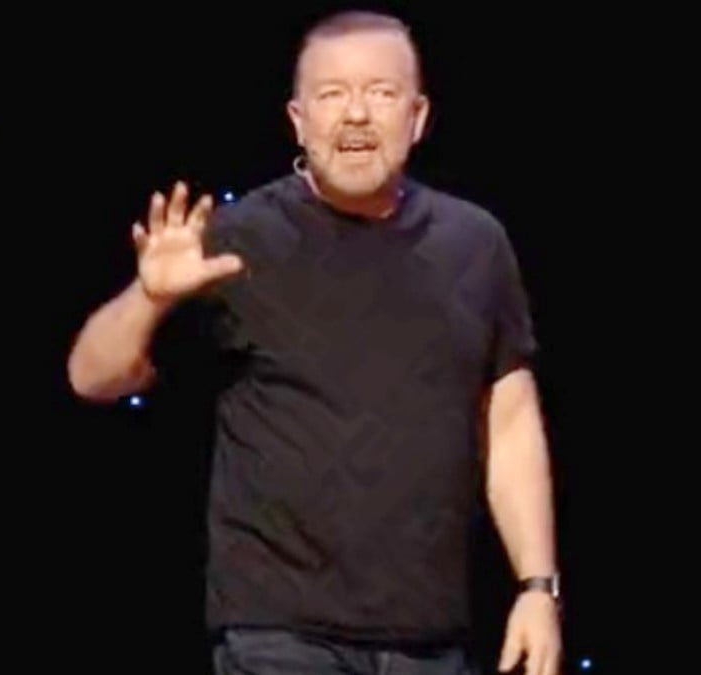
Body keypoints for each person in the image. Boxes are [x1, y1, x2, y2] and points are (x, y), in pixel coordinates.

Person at [66, 10, 562, 675]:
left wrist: (537, 587)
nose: (356, 115)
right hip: (279, 635)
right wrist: (149, 298)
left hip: (430, 639)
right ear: (298, 121)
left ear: (417, 117)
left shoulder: (475, 243)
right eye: (332, 94)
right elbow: (91, 377)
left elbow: (510, 419)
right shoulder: (237, 239)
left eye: (381, 93)